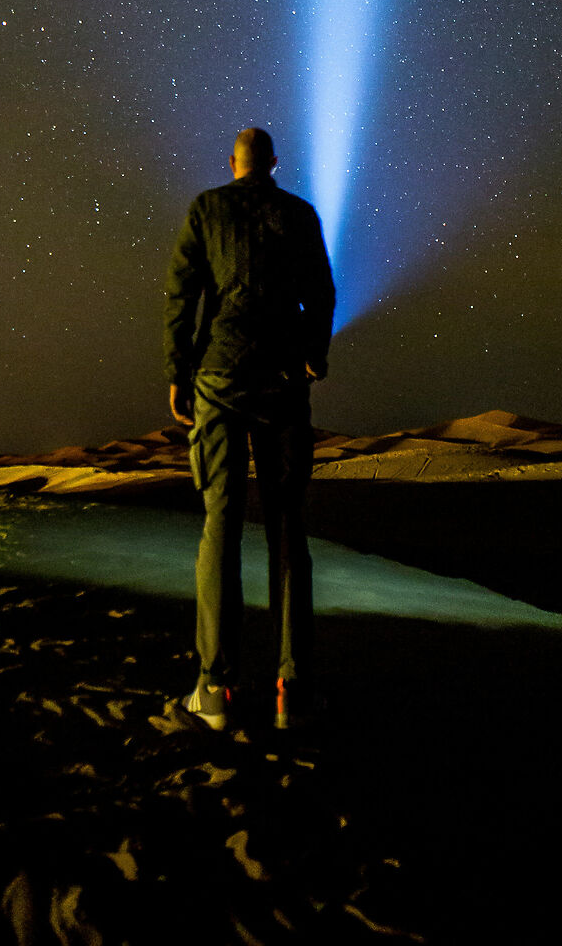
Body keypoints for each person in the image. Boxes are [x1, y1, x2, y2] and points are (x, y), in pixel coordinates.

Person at [163, 124, 336, 732]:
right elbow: (321, 289)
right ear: (274, 163)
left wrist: (178, 372)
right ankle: (294, 690)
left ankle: (215, 690)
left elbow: (181, 295)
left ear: (232, 162)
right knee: (289, 530)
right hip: (284, 380)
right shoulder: (299, 213)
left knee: (221, 523)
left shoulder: (207, 209)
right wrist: (314, 350)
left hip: (220, 378)